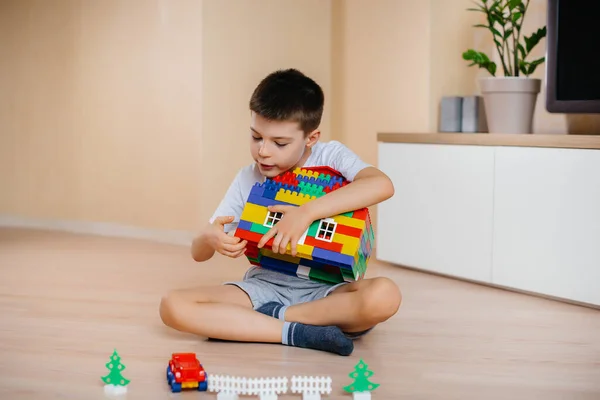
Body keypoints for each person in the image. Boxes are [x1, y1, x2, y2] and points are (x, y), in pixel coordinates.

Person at [159, 69, 402, 356]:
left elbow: (381, 184)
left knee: (385, 295)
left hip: (326, 293)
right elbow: (199, 254)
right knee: (173, 305)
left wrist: (305, 213)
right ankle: (296, 332)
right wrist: (208, 237)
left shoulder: (332, 157)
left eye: (280, 143)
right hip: (264, 288)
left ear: (311, 138)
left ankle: (274, 320)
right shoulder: (247, 177)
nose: (263, 151)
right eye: (256, 137)